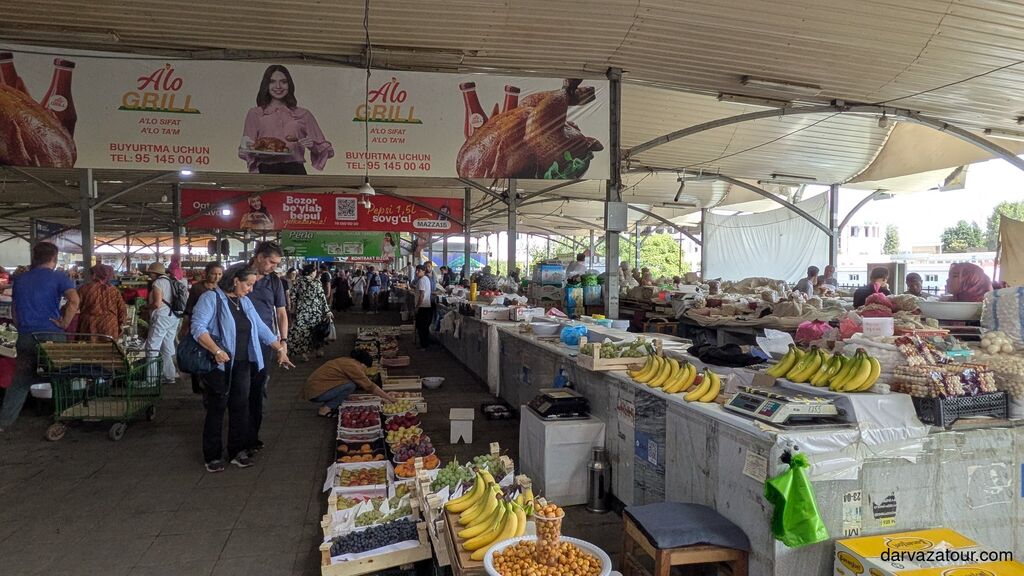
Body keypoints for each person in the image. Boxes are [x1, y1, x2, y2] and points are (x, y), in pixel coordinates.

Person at [190, 266, 293, 472]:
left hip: (243, 363)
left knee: (240, 407)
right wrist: (216, 350)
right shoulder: (211, 299)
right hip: (218, 365)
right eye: (248, 284)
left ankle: (237, 451)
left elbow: (261, 327)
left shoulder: (244, 302)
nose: (251, 289)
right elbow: (197, 328)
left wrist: (280, 348)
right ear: (235, 280)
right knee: (217, 409)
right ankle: (212, 456)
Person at [0, 242, 78, 431]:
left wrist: (22, 326)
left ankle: (4, 422)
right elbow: (74, 300)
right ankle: (65, 415)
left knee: (21, 379)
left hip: (26, 335)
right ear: (54, 257)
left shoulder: (20, 279)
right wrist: (64, 323)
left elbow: (14, 308)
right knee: (61, 375)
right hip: (51, 335)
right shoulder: (59, 277)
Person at [224, 241, 289, 454]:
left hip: (264, 344)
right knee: (238, 392)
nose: (274, 267)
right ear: (259, 257)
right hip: (235, 343)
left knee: (258, 391)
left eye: (277, 263)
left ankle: (251, 437)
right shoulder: (237, 272)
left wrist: (283, 343)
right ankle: (238, 440)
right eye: (271, 262)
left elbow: (280, 313)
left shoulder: (274, 282)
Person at [239, 64, 334, 174]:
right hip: (265, 170)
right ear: (266, 85)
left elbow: (325, 149)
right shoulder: (255, 113)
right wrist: (256, 151)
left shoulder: (303, 114)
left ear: (289, 85)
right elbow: (245, 148)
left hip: (295, 170)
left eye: (283, 82)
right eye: (272, 81)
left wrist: (312, 145)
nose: (278, 86)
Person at [304, 349, 397, 417]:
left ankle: (330, 405)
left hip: (314, 389)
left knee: (352, 383)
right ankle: (326, 409)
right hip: (316, 393)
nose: (365, 371)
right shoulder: (353, 367)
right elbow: (370, 386)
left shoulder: (347, 361)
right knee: (350, 386)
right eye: (365, 368)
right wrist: (389, 398)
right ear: (362, 364)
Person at [182, 262, 223, 394]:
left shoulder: (223, 288)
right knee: (198, 354)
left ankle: (213, 383)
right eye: (213, 274)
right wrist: (185, 327)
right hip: (199, 326)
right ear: (206, 273)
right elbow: (189, 309)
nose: (216, 277)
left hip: (217, 328)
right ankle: (199, 384)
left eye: (219, 274)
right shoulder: (197, 288)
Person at [145, 262, 182, 385]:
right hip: (174, 317)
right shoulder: (171, 280)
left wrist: (146, 307)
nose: (149, 275)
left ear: (154, 273)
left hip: (162, 317)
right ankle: (170, 376)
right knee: (166, 346)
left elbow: (157, 304)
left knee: (152, 347)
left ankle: (151, 379)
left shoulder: (158, 283)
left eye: (150, 272)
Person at [76, 264, 126, 342]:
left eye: (93, 273)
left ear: (96, 274)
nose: (91, 276)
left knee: (90, 349)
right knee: (108, 349)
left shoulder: (85, 288)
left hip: (90, 324)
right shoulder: (114, 290)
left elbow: (75, 305)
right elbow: (122, 309)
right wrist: (121, 323)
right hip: (109, 325)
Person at [291, 264, 331, 361]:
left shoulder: (298, 281)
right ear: (311, 272)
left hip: (302, 310)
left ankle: (304, 354)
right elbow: (322, 298)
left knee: (303, 333)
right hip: (315, 311)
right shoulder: (316, 282)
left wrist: (294, 306)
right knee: (316, 331)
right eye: (314, 271)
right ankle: (318, 350)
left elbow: (292, 296)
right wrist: (327, 311)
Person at [414, 265, 433, 350]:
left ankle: (424, 345)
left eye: (418, 271)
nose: (416, 272)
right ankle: (425, 345)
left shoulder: (422, 280)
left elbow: (421, 295)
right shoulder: (426, 279)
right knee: (424, 328)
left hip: (422, 307)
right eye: (416, 270)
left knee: (421, 328)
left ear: (423, 271)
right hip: (427, 306)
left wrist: (417, 307)